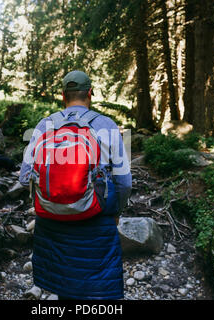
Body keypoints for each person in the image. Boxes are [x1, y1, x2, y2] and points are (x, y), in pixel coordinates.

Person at [19, 70, 132, 300]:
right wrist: (117, 211)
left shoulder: (45, 125)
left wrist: (52, 196)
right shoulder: (107, 125)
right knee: (96, 291)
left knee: (64, 287)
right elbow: (124, 182)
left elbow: (25, 176)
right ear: (90, 93)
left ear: (63, 95)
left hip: (52, 226)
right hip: (95, 222)